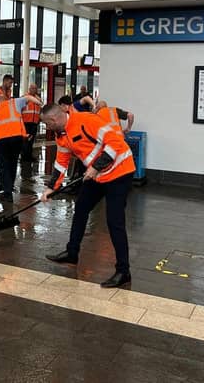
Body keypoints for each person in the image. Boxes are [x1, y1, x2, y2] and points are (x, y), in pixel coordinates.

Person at [40, 104, 135, 288]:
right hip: (98, 175)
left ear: (53, 120)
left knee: (114, 221)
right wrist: (52, 188)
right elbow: (61, 162)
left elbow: (115, 142)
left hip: (120, 171)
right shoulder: (62, 135)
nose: (47, 128)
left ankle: (124, 271)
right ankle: (72, 252)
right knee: (81, 209)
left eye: (46, 124)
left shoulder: (86, 120)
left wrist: (96, 167)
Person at [0, 93, 43, 202]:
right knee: (12, 164)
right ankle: (6, 187)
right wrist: (40, 103)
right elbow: (29, 98)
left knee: (3, 165)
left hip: (2, 140)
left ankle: (7, 192)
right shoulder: (15, 102)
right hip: (17, 139)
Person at [21, 83, 42, 162]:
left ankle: (29, 156)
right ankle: (24, 157)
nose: (34, 90)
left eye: (35, 88)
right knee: (25, 141)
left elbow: (39, 111)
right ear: (29, 89)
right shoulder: (24, 98)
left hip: (34, 123)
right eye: (32, 88)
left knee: (31, 141)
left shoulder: (38, 99)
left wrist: (39, 120)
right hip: (26, 122)